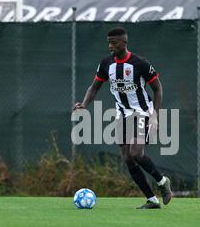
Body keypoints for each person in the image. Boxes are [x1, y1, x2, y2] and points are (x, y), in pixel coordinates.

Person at [73, 27, 173, 209]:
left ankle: (162, 181)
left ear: (124, 42)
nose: (110, 46)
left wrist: (155, 115)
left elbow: (158, 89)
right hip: (122, 114)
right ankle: (152, 200)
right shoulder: (106, 64)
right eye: (108, 42)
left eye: (114, 42)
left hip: (142, 112)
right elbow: (94, 87)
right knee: (128, 158)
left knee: (136, 153)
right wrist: (84, 104)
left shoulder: (140, 63)